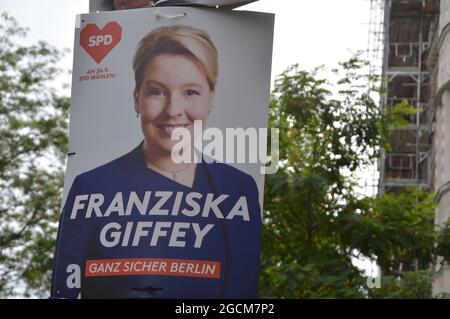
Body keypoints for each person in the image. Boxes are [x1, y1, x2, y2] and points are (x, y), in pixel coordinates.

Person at [51, 25, 262, 299]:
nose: (173, 110)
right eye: (157, 91)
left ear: (211, 97)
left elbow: (242, 296)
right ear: (137, 98)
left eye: (191, 92)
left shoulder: (238, 188)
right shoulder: (91, 188)